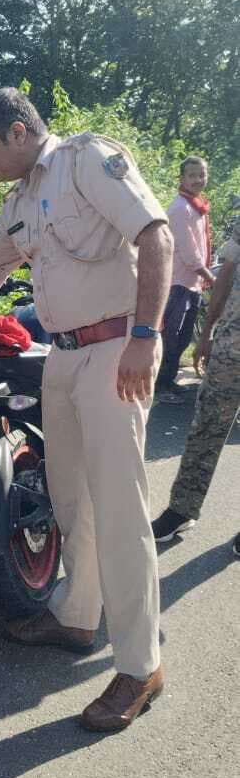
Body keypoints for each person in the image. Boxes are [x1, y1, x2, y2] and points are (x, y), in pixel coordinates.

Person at [0, 87, 174, 733]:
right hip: (62, 356)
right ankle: (76, 617)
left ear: (19, 132)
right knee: (70, 498)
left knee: (118, 510)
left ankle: (139, 666)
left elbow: (154, 234)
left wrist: (144, 336)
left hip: (115, 349)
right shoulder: (18, 203)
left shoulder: (86, 161)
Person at [153, 218, 240, 551]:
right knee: (206, 427)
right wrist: (207, 334)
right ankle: (181, 509)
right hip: (233, 345)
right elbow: (227, 272)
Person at [156, 156, 214, 402]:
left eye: (201, 175)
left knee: (183, 337)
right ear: (182, 178)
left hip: (192, 283)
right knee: (171, 336)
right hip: (178, 282)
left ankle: (168, 380)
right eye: (192, 175)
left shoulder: (196, 206)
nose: (197, 180)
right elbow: (190, 254)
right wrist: (211, 278)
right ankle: (160, 386)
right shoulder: (181, 208)